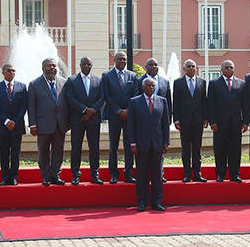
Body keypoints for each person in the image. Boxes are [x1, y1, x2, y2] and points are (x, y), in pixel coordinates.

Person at [128, 78, 170, 212]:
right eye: (149, 86)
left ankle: (156, 201)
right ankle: (142, 201)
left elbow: (165, 124)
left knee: (157, 174)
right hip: (141, 144)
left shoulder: (162, 101)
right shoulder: (134, 102)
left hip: (157, 144)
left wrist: (166, 142)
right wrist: (133, 143)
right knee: (141, 174)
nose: (151, 88)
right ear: (143, 87)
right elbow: (131, 125)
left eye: (153, 86)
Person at [28, 58, 69, 186]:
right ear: (43, 68)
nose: (52, 68)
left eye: (54, 66)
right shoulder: (34, 84)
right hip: (43, 124)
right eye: (49, 66)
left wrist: (68, 123)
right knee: (43, 151)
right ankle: (45, 176)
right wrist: (32, 124)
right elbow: (31, 106)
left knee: (58, 151)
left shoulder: (64, 82)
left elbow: (68, 104)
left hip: (60, 125)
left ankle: (55, 175)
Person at [65, 57, 104, 185]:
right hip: (78, 119)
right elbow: (70, 98)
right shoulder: (72, 80)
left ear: (91, 65)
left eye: (89, 64)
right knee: (76, 147)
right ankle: (75, 174)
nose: (86, 66)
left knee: (94, 147)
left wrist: (92, 110)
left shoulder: (98, 80)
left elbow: (102, 98)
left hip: (93, 119)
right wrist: (84, 110)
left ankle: (95, 174)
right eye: (84, 64)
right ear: (80, 65)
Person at [207, 60, 248, 182]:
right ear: (221, 69)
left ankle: (234, 174)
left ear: (234, 69)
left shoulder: (241, 84)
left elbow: (244, 105)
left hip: (236, 124)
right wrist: (212, 122)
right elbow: (210, 104)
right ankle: (220, 174)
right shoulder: (214, 84)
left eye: (231, 67)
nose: (229, 69)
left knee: (235, 150)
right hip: (219, 124)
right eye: (226, 67)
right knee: (220, 149)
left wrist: (245, 122)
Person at [102, 51, 138, 184]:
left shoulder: (132, 75)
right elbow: (106, 95)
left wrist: (128, 110)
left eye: (125, 59)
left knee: (129, 145)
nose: (123, 61)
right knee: (114, 145)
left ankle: (128, 173)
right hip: (114, 115)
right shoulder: (106, 76)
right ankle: (113, 174)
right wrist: (118, 110)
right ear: (114, 60)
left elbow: (135, 94)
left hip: (129, 116)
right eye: (120, 59)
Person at [0, 64, 28, 186]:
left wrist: (15, 121)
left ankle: (14, 177)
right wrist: (6, 121)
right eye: (9, 70)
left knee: (16, 153)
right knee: (4, 153)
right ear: (3, 72)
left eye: (13, 70)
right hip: (3, 126)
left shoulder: (22, 87)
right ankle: (5, 177)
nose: (11, 72)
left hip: (17, 126)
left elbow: (24, 106)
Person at [173, 59, 208, 182]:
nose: (192, 68)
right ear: (184, 68)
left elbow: (204, 101)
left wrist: (205, 118)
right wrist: (176, 119)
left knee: (197, 148)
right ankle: (187, 174)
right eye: (189, 66)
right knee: (186, 148)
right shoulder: (178, 83)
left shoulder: (202, 82)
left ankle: (197, 173)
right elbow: (175, 102)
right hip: (184, 121)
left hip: (198, 120)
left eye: (193, 66)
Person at [137, 57, 172, 183]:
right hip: (144, 124)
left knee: (159, 152)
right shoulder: (139, 81)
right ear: (146, 67)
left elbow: (168, 102)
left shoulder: (164, 82)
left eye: (156, 65)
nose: (154, 67)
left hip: (159, 122)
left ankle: (159, 174)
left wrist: (168, 120)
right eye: (151, 65)